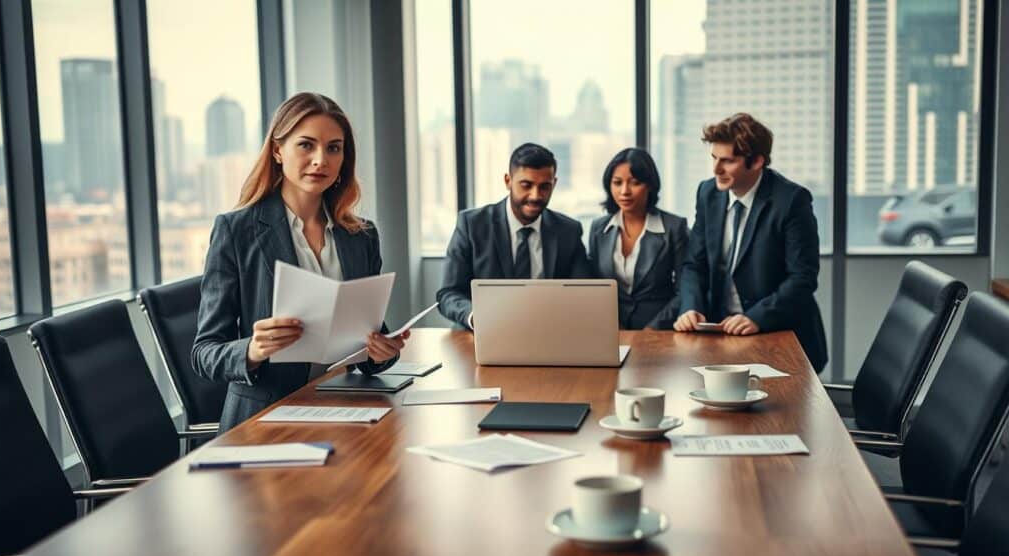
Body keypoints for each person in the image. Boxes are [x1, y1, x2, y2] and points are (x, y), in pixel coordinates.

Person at [192, 92, 408, 433]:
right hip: (266, 418)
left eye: (334, 148)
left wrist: (384, 352)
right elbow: (205, 353)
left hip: (345, 409)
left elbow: (370, 336)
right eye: (306, 145)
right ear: (278, 151)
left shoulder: (361, 235)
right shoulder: (236, 231)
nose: (321, 159)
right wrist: (252, 349)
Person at [673, 113, 828, 372]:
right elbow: (694, 264)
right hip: (720, 333)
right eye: (713, 158)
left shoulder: (791, 201)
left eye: (727, 161)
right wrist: (691, 307)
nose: (716, 170)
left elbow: (803, 278)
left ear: (757, 161)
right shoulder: (707, 193)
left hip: (778, 333)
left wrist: (756, 318)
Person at [437, 142, 590, 329]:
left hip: (548, 332)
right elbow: (448, 293)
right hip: (485, 333)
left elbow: (583, 294)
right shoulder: (472, 225)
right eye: (526, 185)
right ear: (508, 181)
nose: (535, 195)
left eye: (544, 187)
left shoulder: (568, 231)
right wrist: (475, 316)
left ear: (554, 184)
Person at [588, 148, 688, 330]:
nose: (624, 191)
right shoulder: (598, 229)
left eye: (634, 183)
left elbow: (684, 290)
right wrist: (613, 326)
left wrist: (653, 329)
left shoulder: (674, 228)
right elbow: (593, 287)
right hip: (610, 330)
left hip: (659, 331)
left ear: (650, 185)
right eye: (617, 183)